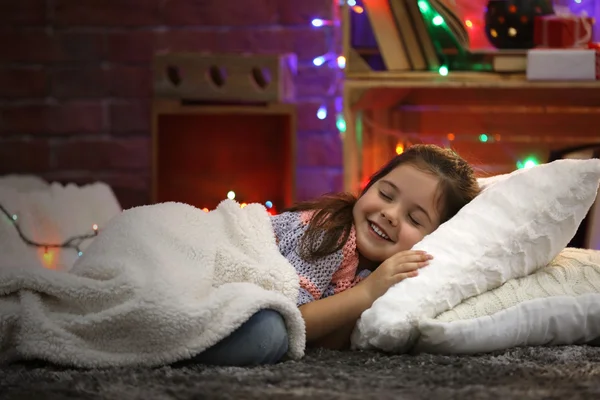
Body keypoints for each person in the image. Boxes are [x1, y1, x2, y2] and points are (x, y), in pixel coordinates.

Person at [185, 144, 480, 367]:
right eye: (386, 195)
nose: (389, 214)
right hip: (202, 251)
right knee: (269, 333)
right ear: (369, 186)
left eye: (414, 219)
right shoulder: (331, 233)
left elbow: (324, 340)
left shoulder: (381, 271)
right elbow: (296, 321)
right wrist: (369, 291)